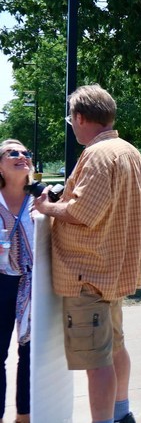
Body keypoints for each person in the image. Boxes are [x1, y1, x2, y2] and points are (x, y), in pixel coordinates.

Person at [34, 85, 141, 423]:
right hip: (112, 272)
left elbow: (83, 211)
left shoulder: (98, 155)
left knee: (96, 361)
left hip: (88, 275)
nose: (72, 126)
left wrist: (47, 207)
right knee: (114, 348)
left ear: (81, 117)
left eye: (71, 120)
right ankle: (121, 414)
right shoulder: (129, 151)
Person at [0, 139, 34, 423]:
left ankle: (24, 417)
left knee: (30, 354)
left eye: (25, 153)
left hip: (35, 287)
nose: (22, 156)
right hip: (1, 283)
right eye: (12, 152)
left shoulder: (44, 199)